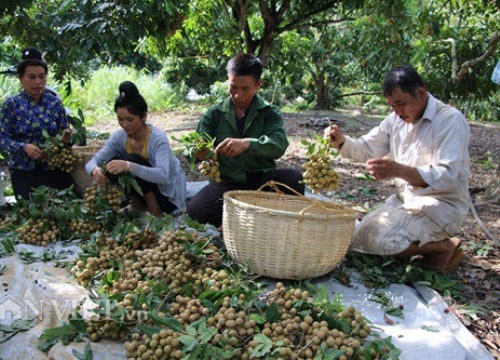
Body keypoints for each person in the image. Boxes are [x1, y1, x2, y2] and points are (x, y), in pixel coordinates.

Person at [325, 65, 470, 273]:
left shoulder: (449, 120)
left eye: (401, 104)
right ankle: (414, 242)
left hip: (441, 204)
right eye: (392, 106)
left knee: (380, 239)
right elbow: (367, 148)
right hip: (405, 201)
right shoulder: (395, 120)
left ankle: (443, 247)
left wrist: (399, 170)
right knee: (356, 241)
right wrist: (341, 142)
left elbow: (445, 177)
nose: (397, 112)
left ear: (421, 93)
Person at [186, 53, 304, 228]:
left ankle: (244, 216)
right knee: (196, 211)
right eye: (233, 87)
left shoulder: (269, 113)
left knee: (295, 179)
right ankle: (252, 216)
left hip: (262, 182)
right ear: (228, 80)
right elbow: (192, 149)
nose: (238, 95)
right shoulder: (214, 114)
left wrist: (248, 144)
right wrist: (198, 153)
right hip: (227, 185)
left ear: (258, 85)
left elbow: (279, 144)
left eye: (245, 89)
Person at [85, 81, 186, 217]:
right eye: (120, 119)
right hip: (143, 194)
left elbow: (162, 175)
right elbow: (91, 162)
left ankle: (154, 210)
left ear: (143, 116)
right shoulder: (119, 137)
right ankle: (136, 204)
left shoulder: (157, 139)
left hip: (167, 198)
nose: (124, 125)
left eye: (130, 119)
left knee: (129, 160)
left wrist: (129, 166)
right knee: (113, 163)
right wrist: (95, 170)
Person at [0, 47, 75, 199]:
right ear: (21, 79)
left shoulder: (55, 103)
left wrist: (66, 139)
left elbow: (63, 134)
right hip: (24, 171)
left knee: (61, 211)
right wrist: (24, 148)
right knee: (32, 216)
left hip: (54, 169)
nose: (37, 82)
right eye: (31, 77)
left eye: (42, 76)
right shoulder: (12, 105)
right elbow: (2, 139)